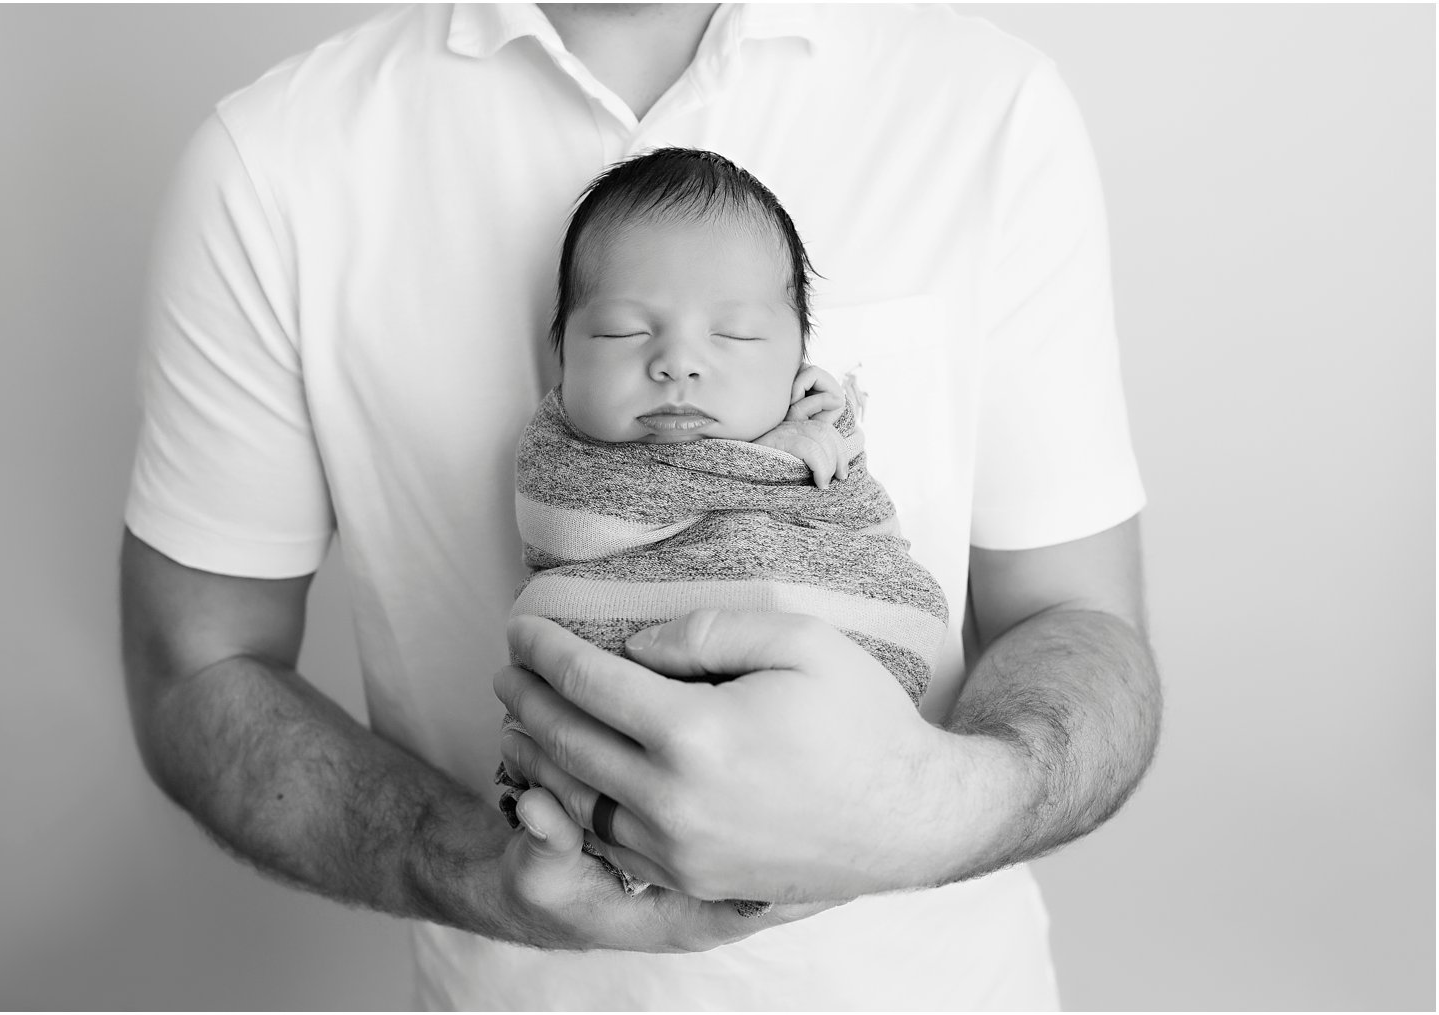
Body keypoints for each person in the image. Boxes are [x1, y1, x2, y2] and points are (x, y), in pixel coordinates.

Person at [121, 4, 1161, 1009]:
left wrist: (919, 810)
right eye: (620, 336)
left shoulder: (985, 106)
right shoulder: (274, 163)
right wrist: (483, 871)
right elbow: (198, 667)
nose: (676, 364)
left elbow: (1080, 625)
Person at [496, 147, 950, 911]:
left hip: (828, 746)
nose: (677, 363)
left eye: (734, 336)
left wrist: (825, 439)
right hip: (621, 705)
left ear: (800, 363)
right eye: (619, 333)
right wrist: (762, 463)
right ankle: (592, 843)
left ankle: (780, 824)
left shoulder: (814, 433)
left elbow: (867, 533)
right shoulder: (562, 455)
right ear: (563, 360)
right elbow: (573, 525)